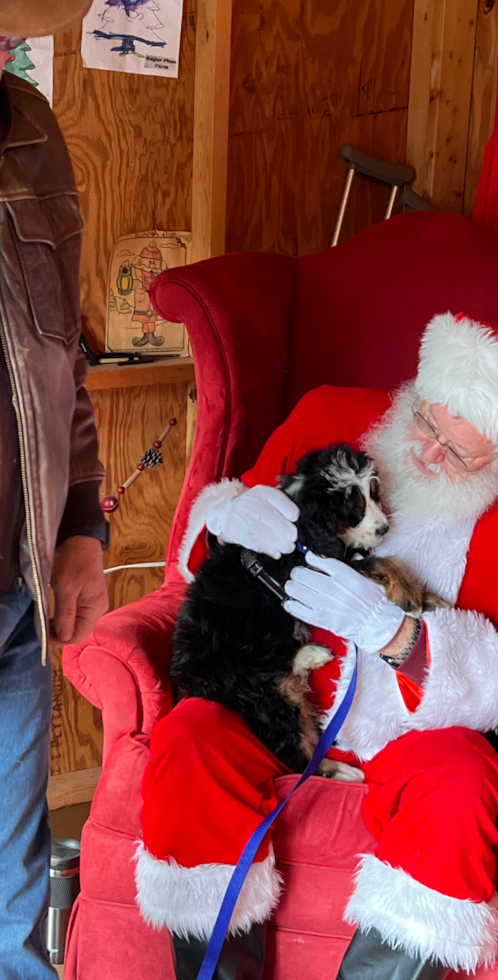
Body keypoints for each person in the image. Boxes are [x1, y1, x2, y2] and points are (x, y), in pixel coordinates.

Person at [136, 312, 498, 980]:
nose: (426, 453)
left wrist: (399, 637)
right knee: (191, 736)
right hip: (273, 698)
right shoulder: (326, 415)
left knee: (464, 777)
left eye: (459, 452)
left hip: (414, 731)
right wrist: (224, 520)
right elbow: (212, 555)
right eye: (427, 422)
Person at [0, 3, 109, 978]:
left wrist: (83, 523)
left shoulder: (30, 127)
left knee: (10, 893)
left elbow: (61, 358)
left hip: (13, 598)